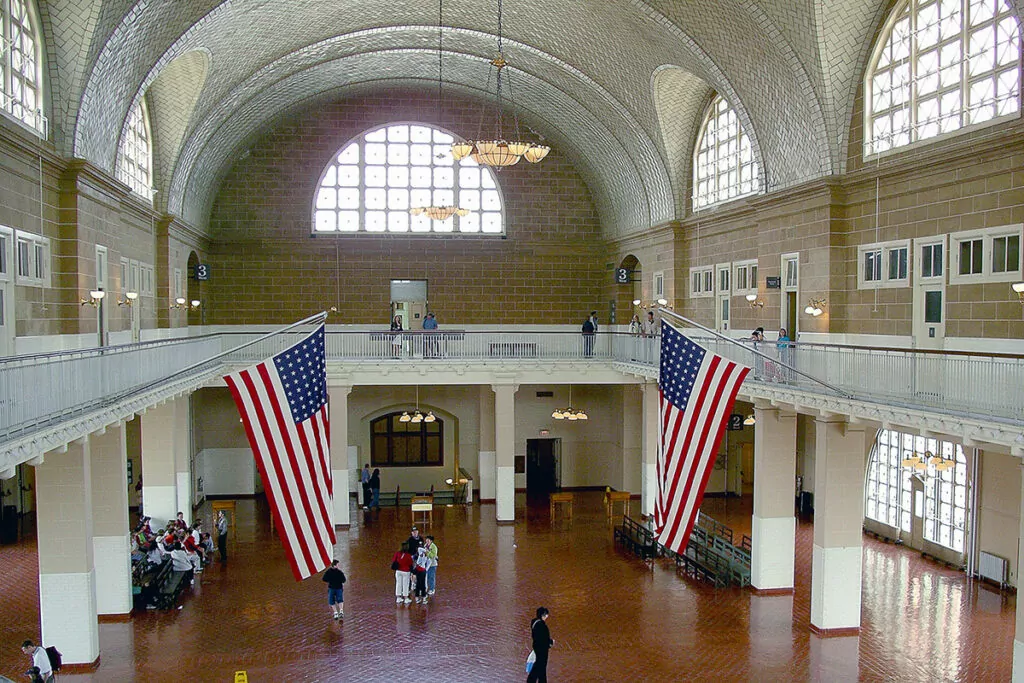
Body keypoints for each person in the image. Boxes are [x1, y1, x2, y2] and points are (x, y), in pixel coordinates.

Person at [527, 607, 553, 683]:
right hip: (542, 649)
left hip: (537, 647)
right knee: (540, 666)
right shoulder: (542, 626)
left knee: (540, 666)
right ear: (543, 615)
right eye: (546, 615)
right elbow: (544, 639)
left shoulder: (534, 623)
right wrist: (550, 643)